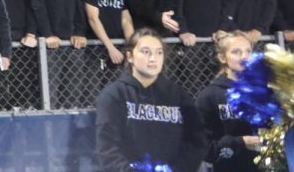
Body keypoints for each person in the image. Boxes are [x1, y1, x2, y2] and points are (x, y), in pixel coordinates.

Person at [95, 28, 203, 172]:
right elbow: (107, 149)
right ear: (130, 56)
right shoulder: (114, 95)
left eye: (159, 52)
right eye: (146, 52)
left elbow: (196, 141)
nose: (153, 58)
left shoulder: (179, 96)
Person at [196, 31, 260, 171]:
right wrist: (240, 142)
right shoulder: (209, 96)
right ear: (222, 57)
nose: (244, 57)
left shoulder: (264, 91)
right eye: (236, 52)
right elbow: (203, 148)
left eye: (248, 51)